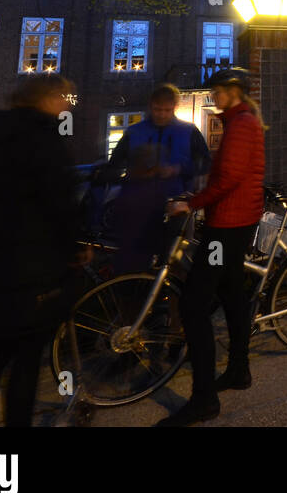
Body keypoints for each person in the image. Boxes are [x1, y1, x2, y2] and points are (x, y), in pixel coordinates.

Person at [0, 74, 89, 427]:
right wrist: (75, 248)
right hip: (33, 268)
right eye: (65, 97)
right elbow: (60, 204)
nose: (68, 104)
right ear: (46, 99)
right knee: (26, 360)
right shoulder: (45, 139)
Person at [158, 66, 264, 427]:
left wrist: (193, 203)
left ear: (235, 92)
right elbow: (227, 174)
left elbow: (230, 177)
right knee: (233, 295)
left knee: (192, 306)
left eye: (219, 90)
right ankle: (238, 370)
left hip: (228, 224)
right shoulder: (241, 121)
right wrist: (200, 195)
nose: (213, 95)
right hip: (235, 220)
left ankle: (204, 399)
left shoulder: (242, 123)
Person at [104, 84, 211, 272]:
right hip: (140, 204)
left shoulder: (189, 131)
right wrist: (135, 173)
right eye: (157, 110)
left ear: (175, 107)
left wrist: (178, 169)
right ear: (150, 106)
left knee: (173, 257)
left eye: (167, 110)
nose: (161, 114)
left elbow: (205, 164)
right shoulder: (135, 132)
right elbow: (115, 165)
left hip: (176, 204)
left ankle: (166, 294)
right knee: (139, 255)